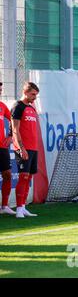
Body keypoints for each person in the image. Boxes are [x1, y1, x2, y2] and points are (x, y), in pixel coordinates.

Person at [11, 82, 40, 218]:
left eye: (36, 95)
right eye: (33, 94)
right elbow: (15, 129)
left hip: (33, 147)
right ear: (25, 92)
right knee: (23, 177)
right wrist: (21, 148)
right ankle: (18, 209)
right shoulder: (18, 106)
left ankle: (23, 207)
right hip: (23, 148)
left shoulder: (32, 108)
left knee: (28, 178)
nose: (35, 97)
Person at [0, 82, 14, 216]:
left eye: (0, 90)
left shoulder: (2, 106)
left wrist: (10, 136)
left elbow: (13, 120)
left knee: (8, 175)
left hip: (2, 148)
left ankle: (4, 206)